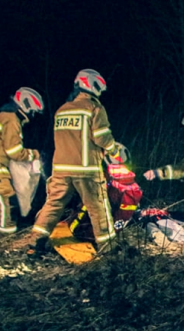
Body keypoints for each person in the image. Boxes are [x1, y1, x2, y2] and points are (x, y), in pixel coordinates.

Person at [28, 69, 122, 252]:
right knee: (98, 207)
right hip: (86, 170)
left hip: (61, 169)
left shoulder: (62, 110)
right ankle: (108, 247)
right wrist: (114, 150)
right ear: (93, 86)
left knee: (53, 204)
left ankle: (35, 241)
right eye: (100, 89)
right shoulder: (94, 108)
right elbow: (102, 138)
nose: (101, 94)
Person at [0, 87, 43, 235]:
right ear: (26, 106)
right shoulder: (11, 120)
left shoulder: (3, 116)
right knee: (6, 204)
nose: (31, 116)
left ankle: (1, 232)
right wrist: (35, 154)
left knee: (1, 204)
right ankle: (6, 239)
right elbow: (14, 152)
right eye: (33, 111)